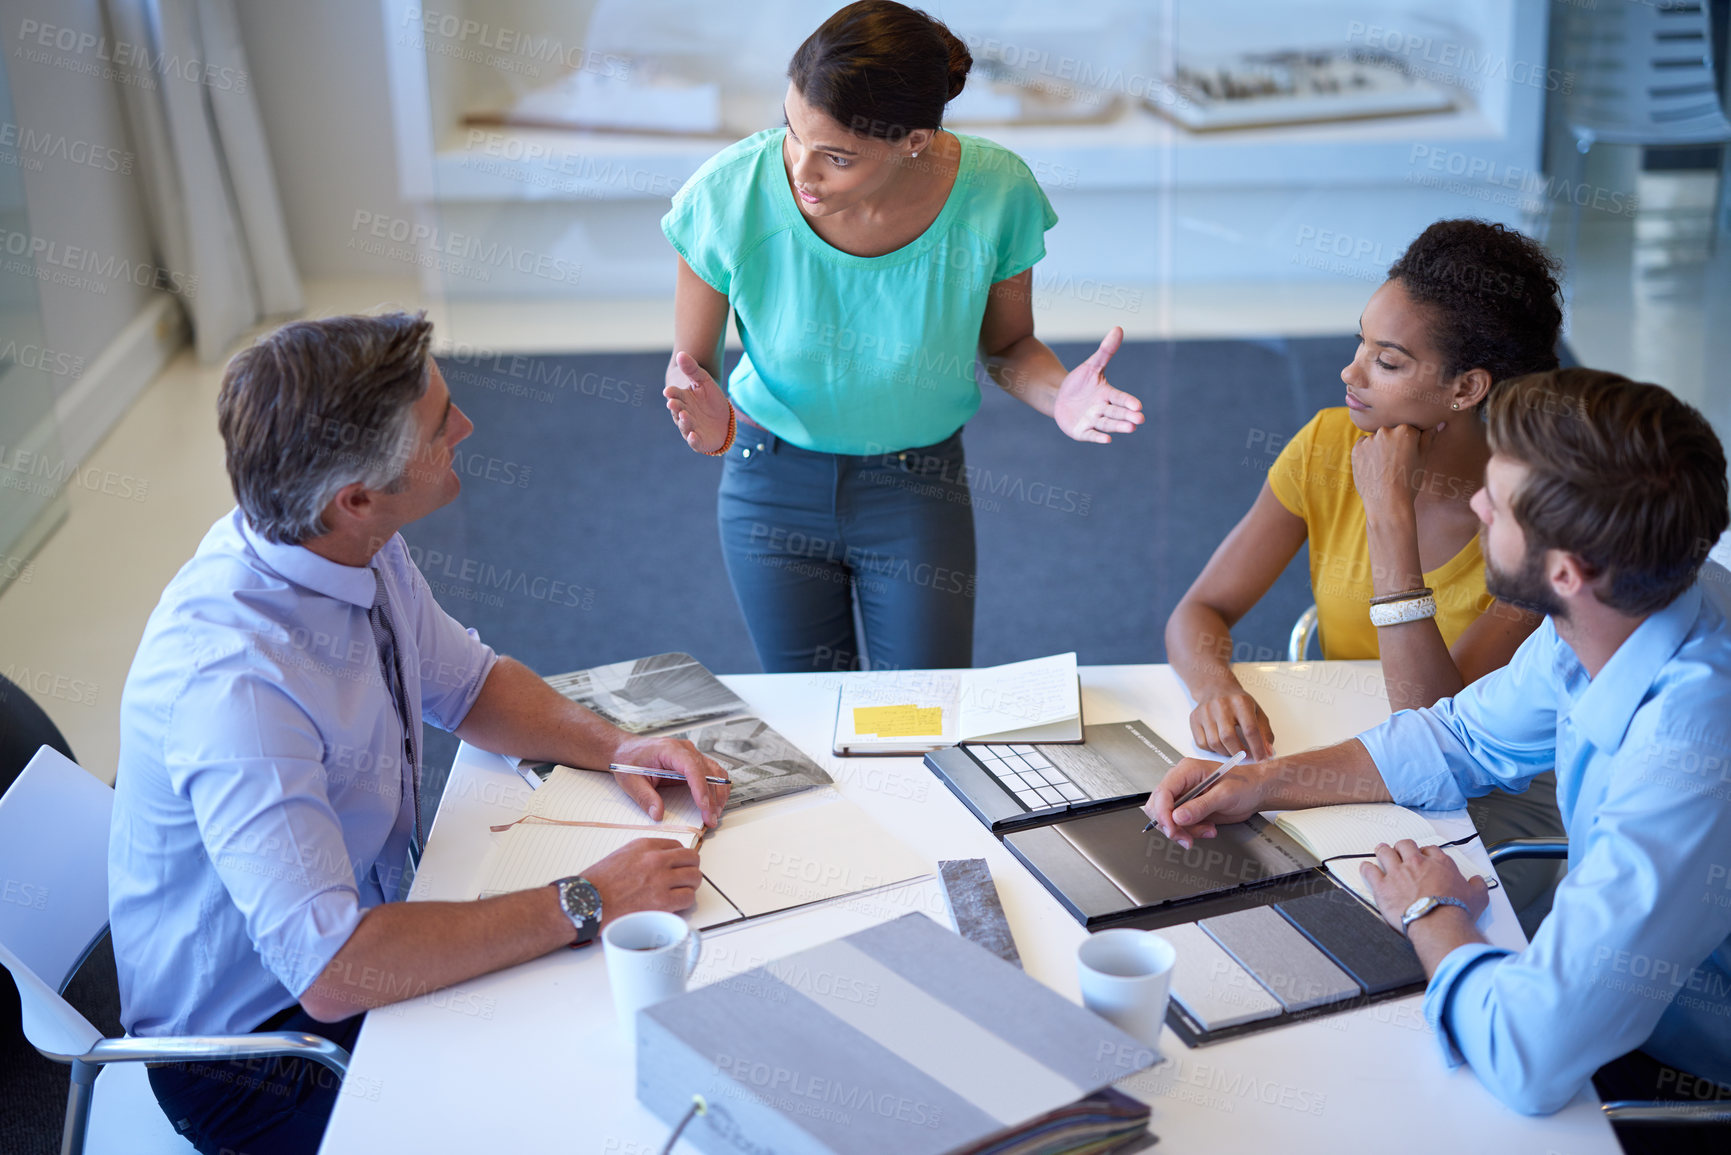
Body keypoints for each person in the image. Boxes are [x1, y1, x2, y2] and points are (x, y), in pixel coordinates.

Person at [109, 313, 728, 1155]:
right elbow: (333, 973)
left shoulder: (348, 541)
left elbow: (466, 683)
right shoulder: (234, 687)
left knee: (619, 1047)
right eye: (443, 428)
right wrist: (586, 898)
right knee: (582, 1111)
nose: (468, 429)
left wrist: (615, 744)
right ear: (356, 497)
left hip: (364, 939)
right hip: (263, 1058)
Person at [1147, 369, 1731, 1135]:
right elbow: (1457, 734)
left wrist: (1432, 912)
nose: (1477, 505)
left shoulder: (1688, 750)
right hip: (1602, 992)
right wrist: (1257, 780)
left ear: (1564, 570)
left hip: (1673, 1061)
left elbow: (1530, 1051)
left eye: (1501, 500)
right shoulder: (1614, 609)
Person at [661, 0, 1143, 674]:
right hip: (768, 477)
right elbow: (698, 383)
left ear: (911, 140)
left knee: (924, 717)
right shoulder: (724, 197)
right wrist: (709, 426)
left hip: (916, 487)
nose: (801, 170)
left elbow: (1007, 349)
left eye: (836, 155)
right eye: (791, 132)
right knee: (808, 721)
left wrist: (1059, 393)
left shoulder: (995, 192)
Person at [1165, 218, 1567, 858]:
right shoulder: (1328, 443)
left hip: (1466, 809)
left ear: (1466, 387)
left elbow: (1436, 731)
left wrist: (1389, 518)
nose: (1349, 373)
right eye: (1360, 344)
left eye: (1386, 362)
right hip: (1328, 756)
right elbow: (1199, 611)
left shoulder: (1536, 519)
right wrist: (1216, 685)